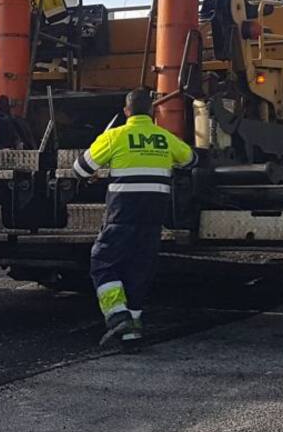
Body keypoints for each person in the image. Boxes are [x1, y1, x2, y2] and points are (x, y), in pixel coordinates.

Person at [73, 88, 196, 349]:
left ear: (126, 111)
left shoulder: (115, 136)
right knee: (140, 266)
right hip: (154, 212)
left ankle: (117, 315)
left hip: (123, 211)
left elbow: (80, 168)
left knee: (103, 260)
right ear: (152, 112)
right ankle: (133, 331)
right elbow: (190, 160)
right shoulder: (164, 137)